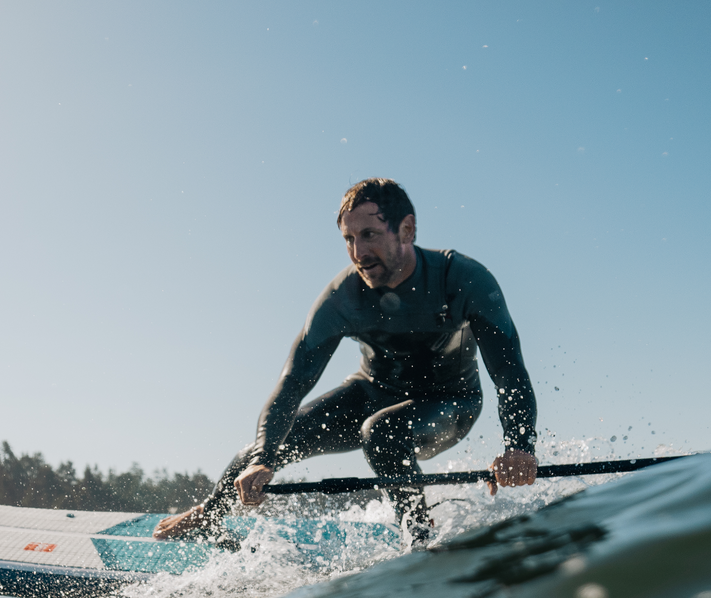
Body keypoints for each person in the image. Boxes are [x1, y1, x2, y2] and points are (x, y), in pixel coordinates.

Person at [154, 178, 538, 544]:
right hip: (372, 391)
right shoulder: (343, 298)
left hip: (450, 403)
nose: (358, 253)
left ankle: (419, 536)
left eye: (369, 234)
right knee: (270, 444)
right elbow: (293, 383)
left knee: (381, 432)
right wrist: (262, 459)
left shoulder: (462, 279)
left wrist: (518, 446)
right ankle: (209, 516)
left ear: (406, 230)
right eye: (349, 239)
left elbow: (509, 373)